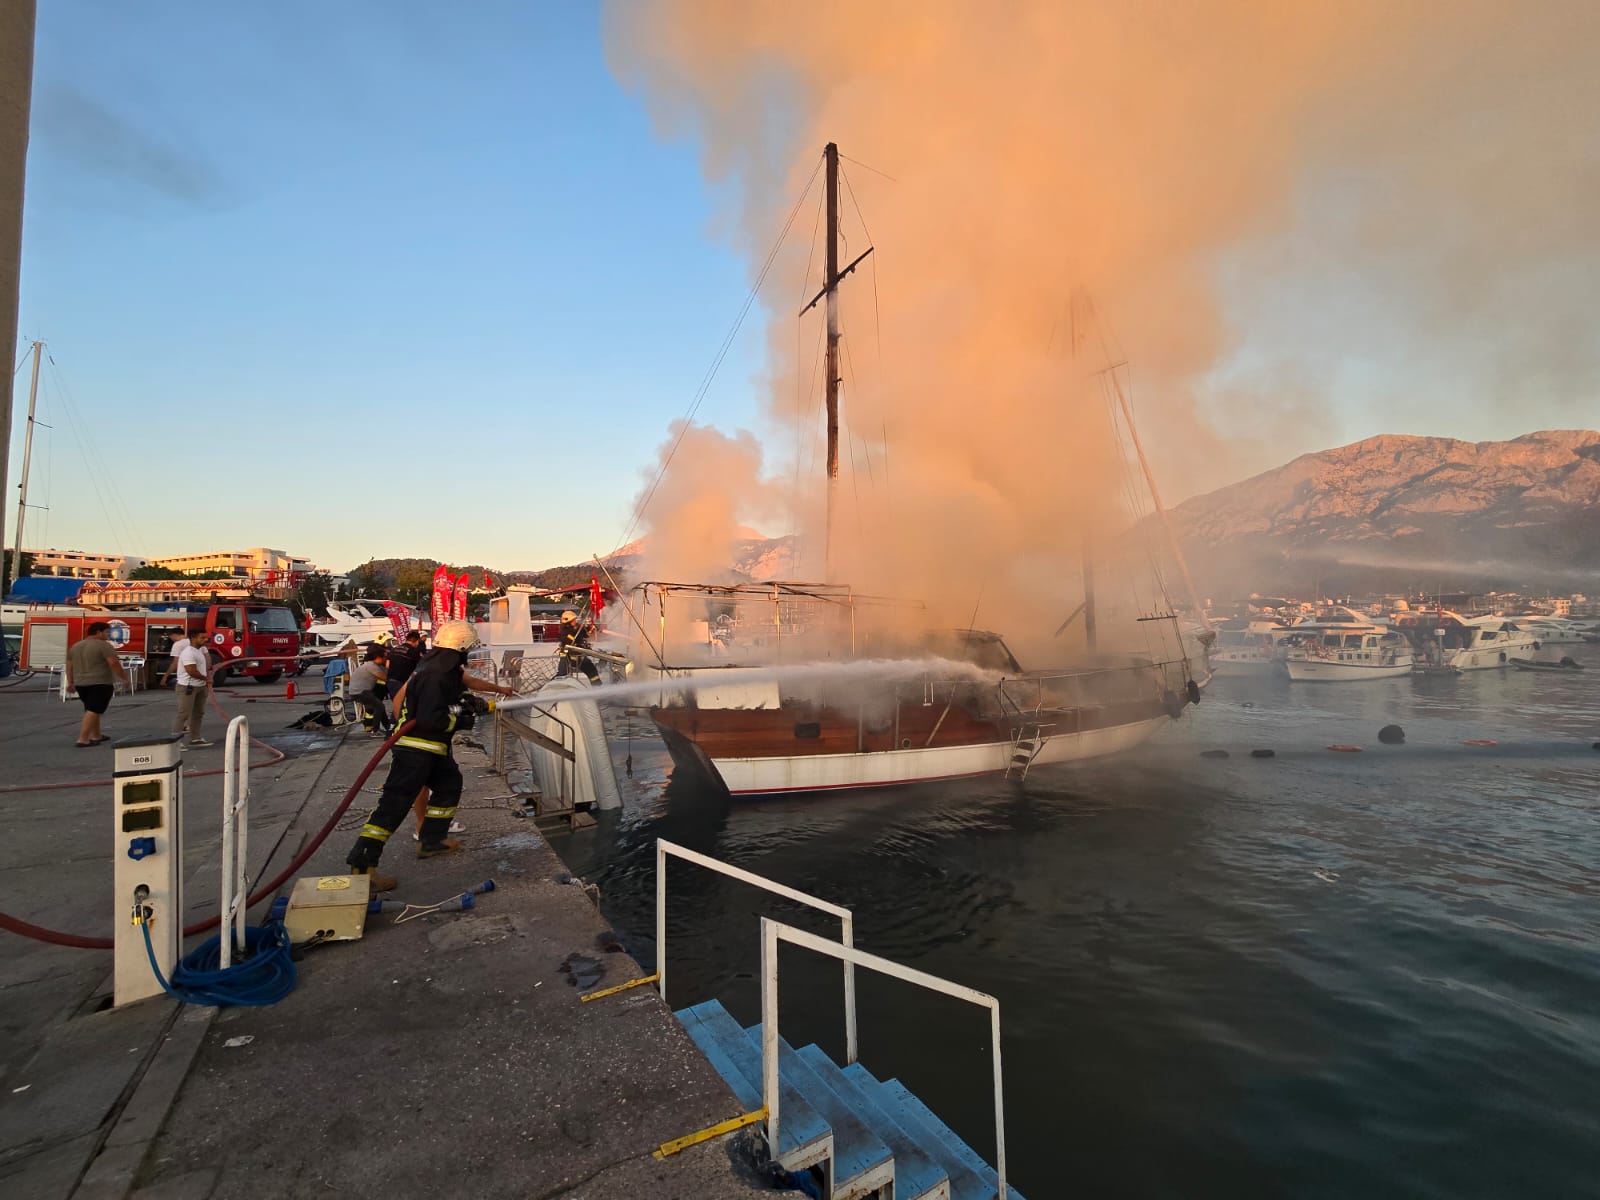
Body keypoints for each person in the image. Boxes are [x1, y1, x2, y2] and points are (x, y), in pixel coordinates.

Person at [345, 621, 512, 891]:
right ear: (459, 647)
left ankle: (431, 840)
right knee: (394, 805)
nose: (468, 653)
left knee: (450, 785)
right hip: (416, 749)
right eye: (468, 648)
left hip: (431, 749)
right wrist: (462, 719)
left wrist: (467, 701)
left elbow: (441, 700)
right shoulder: (436, 672)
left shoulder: (438, 667)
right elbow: (431, 718)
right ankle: (363, 866)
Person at [65, 622, 131, 747]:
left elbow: (69, 666)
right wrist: (124, 678)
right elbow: (113, 663)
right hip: (100, 682)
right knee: (94, 709)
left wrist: (71, 682)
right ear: (98, 632)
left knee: (91, 708)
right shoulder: (103, 646)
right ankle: (83, 739)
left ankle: (96, 735)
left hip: (81, 683)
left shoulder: (75, 646)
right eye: (107, 632)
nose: (108, 635)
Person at [172, 632, 213, 748]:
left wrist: (205, 680)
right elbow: (191, 671)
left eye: (206, 637)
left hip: (200, 686)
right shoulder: (188, 652)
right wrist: (207, 679)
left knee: (198, 713)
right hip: (188, 686)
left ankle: (195, 738)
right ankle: (175, 742)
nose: (205, 640)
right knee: (184, 714)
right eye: (202, 638)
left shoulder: (199, 651)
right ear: (193, 638)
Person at [348, 643, 392, 736]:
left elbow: (387, 673)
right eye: (385, 657)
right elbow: (386, 678)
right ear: (378, 657)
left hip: (363, 691)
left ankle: (388, 728)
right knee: (380, 707)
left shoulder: (376, 665)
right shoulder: (371, 666)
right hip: (359, 692)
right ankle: (375, 730)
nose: (386, 659)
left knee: (380, 707)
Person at [555, 609, 601, 684]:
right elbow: (570, 640)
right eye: (574, 620)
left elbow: (585, 634)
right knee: (562, 674)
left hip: (579, 656)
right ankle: (555, 686)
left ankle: (597, 686)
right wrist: (576, 630)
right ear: (568, 621)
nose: (575, 621)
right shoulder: (564, 631)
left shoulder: (577, 628)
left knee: (591, 670)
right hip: (568, 657)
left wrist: (590, 628)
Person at [384, 629, 424, 696]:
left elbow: (387, 665)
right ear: (417, 641)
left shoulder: (394, 649)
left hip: (390, 681)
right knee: (404, 705)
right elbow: (420, 668)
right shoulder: (414, 651)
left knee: (396, 703)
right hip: (403, 683)